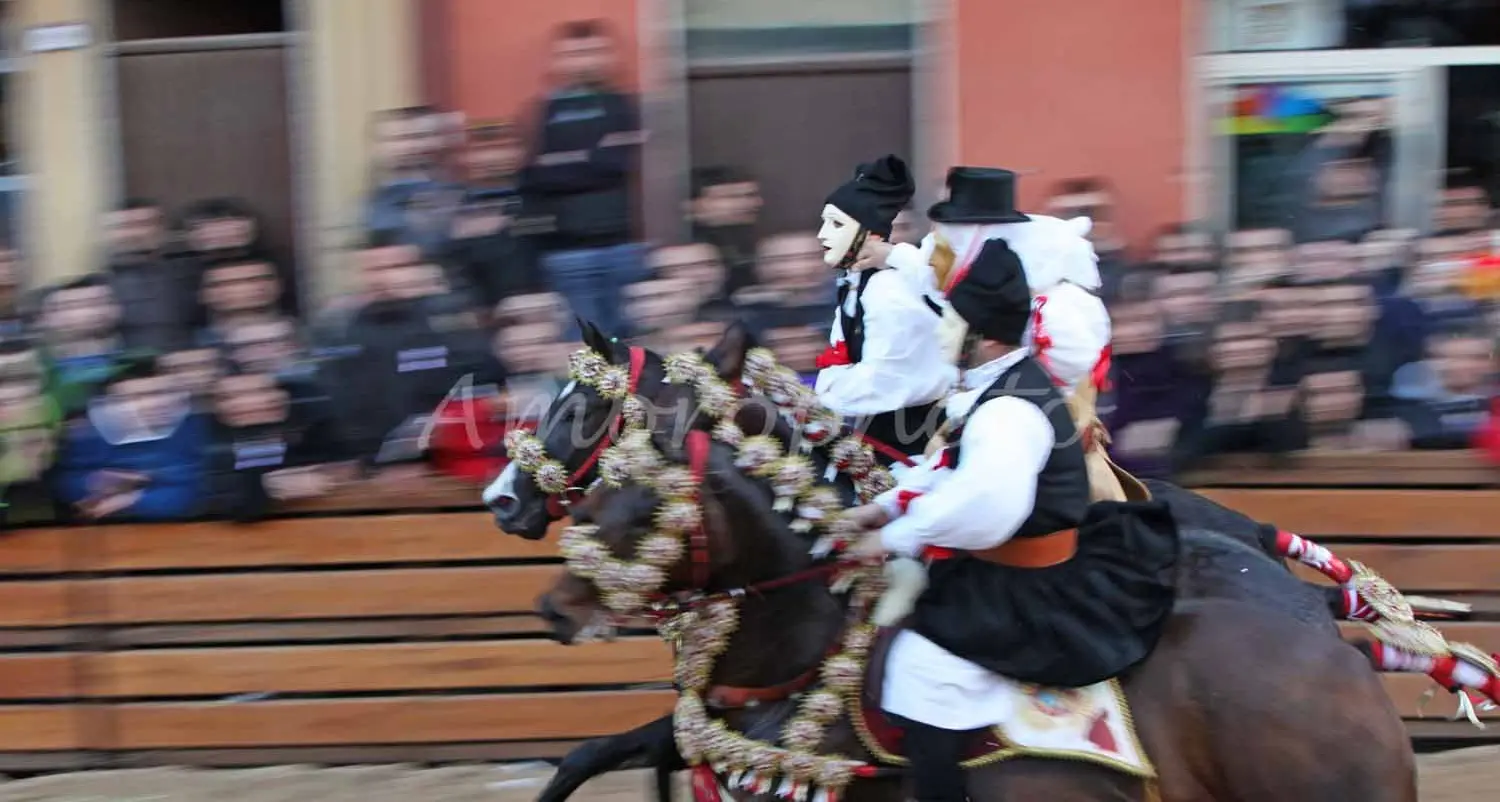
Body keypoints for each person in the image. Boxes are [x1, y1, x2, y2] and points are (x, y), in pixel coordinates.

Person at [841, 238, 1180, 802]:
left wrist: (897, 537)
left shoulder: (1008, 409)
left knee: (918, 668)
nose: (940, 333)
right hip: (1004, 570)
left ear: (984, 336)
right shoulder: (995, 389)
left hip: (1026, 587)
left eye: (950, 323)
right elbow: (946, 467)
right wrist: (885, 507)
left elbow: (983, 508)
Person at [814, 155, 955, 465]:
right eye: (824, 222)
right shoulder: (854, 285)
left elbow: (884, 381)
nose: (822, 235)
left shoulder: (886, 292)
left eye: (836, 224)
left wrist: (814, 401)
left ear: (871, 236)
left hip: (916, 454)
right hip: (877, 444)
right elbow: (836, 363)